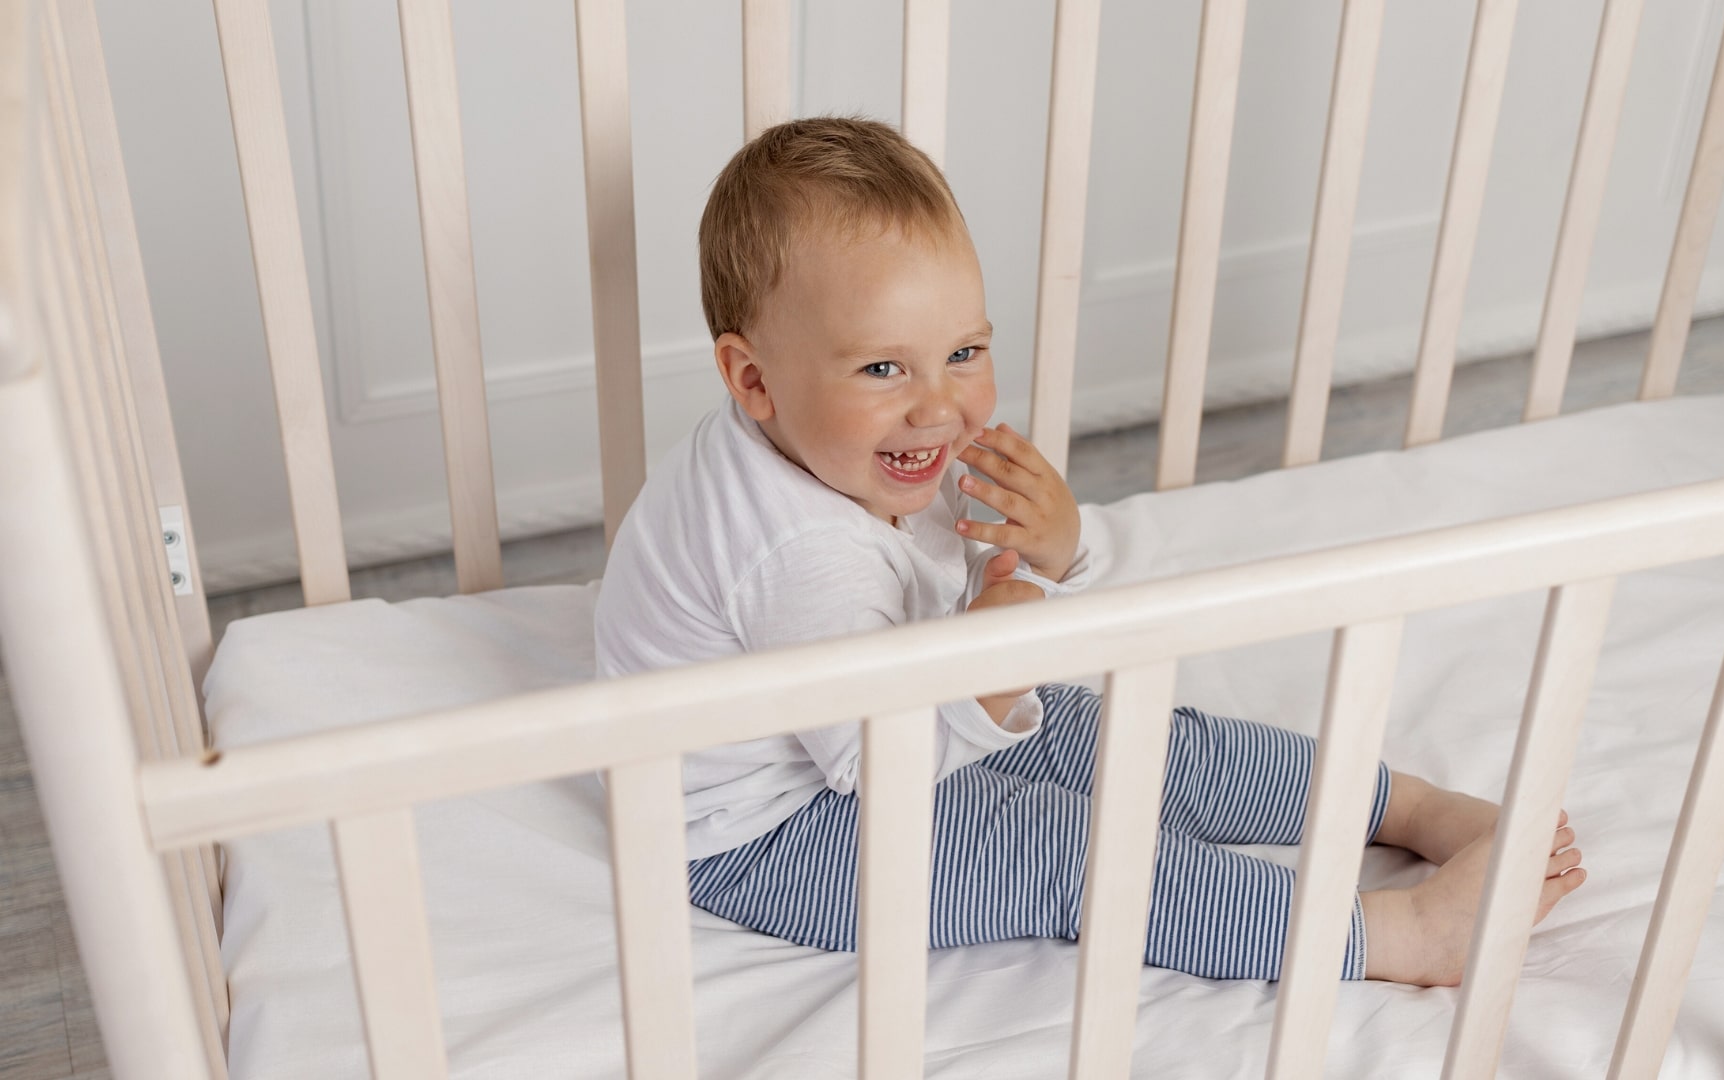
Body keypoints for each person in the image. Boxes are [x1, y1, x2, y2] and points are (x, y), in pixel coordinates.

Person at [594, 116, 1585, 985]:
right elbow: (885, 768)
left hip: (881, 725)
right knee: (1065, 847)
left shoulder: (860, 443)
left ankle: (1402, 807)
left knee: (1138, 737)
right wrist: (986, 669)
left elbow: (975, 594)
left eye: (965, 353)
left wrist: (1054, 551)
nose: (939, 405)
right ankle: (1388, 937)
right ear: (752, 379)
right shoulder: (796, 556)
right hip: (767, 832)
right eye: (883, 365)